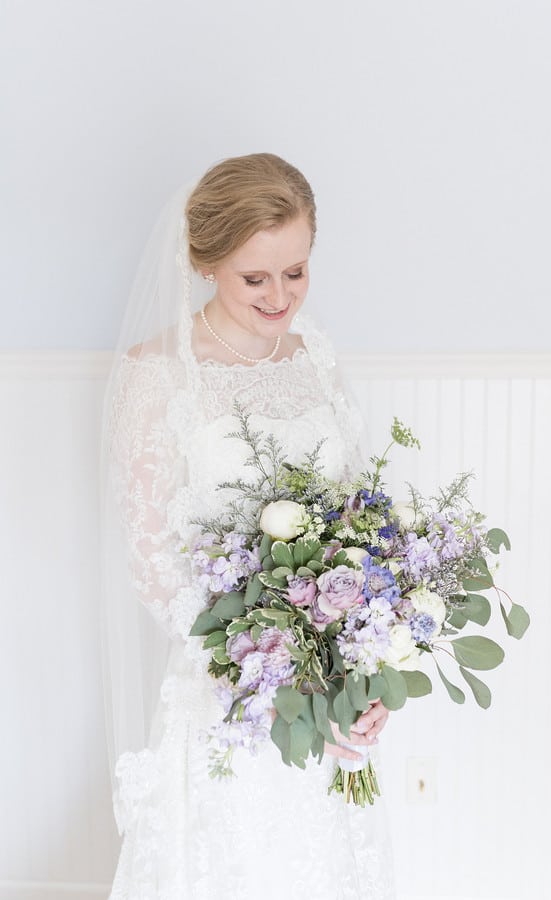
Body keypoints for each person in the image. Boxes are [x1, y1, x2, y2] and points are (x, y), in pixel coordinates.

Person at [101, 153, 396, 898]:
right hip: (225, 693)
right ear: (205, 263)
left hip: (329, 689)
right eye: (254, 277)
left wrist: (361, 674)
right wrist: (267, 664)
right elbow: (152, 562)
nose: (280, 296)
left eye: (296, 271)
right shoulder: (156, 373)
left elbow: (360, 524)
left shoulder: (315, 357)